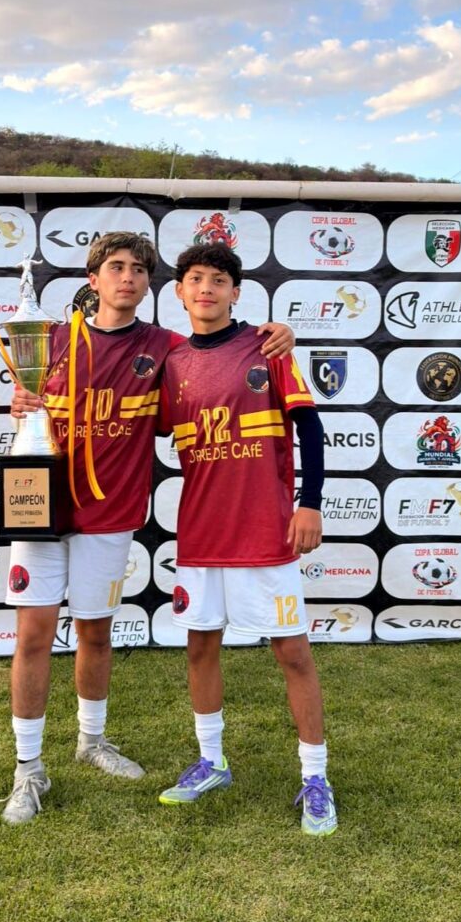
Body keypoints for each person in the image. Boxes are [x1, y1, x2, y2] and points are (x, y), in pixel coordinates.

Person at [0, 230, 295, 824]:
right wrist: (21, 404)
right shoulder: (50, 340)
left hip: (110, 514)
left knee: (95, 634)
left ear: (151, 284)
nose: (127, 277)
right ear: (93, 280)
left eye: (138, 269)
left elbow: (223, 354)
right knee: (33, 635)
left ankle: (91, 741)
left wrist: (282, 335)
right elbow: (24, 401)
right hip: (41, 506)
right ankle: (28, 768)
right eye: (115, 267)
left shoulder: (166, 348)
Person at [158, 241, 337, 837]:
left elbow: (310, 429)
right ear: (180, 292)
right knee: (200, 648)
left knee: (292, 653)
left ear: (235, 292)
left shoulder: (267, 346)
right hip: (201, 533)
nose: (206, 288)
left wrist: (309, 502)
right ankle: (212, 762)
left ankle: (316, 777)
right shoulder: (172, 362)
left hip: (263, 530)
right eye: (195, 279)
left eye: (218, 279)